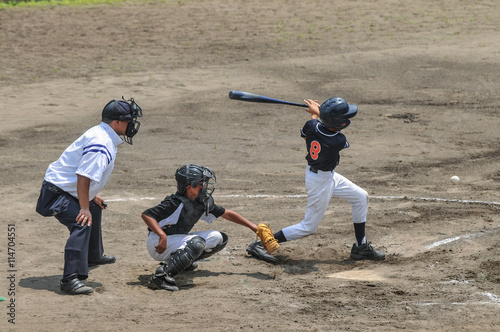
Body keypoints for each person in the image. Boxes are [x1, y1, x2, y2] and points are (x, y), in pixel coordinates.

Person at [246, 97, 386, 263]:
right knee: (308, 227)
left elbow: (309, 132)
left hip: (325, 176)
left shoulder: (312, 126)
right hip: (320, 182)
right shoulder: (337, 141)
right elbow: (326, 127)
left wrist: (317, 114)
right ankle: (261, 244)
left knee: (360, 197)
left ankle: (361, 246)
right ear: (339, 123)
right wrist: (318, 112)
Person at [35, 97, 143, 295]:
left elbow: (82, 172)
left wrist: (91, 198)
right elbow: (83, 175)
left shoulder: (104, 133)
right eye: (129, 120)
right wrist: (84, 207)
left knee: (94, 207)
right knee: (82, 220)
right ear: (117, 122)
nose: (132, 124)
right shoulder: (101, 142)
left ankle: (93, 255)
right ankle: (70, 279)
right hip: (56, 193)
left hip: (64, 187)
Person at [142, 164, 272, 292]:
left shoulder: (201, 202)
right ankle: (161, 277)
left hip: (175, 240)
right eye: (201, 183)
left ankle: (181, 263)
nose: (205, 185)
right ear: (189, 187)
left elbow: (227, 213)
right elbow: (147, 215)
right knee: (197, 243)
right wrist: (162, 236)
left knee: (218, 238)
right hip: (158, 244)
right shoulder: (174, 203)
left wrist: (254, 227)